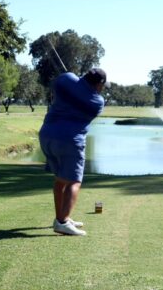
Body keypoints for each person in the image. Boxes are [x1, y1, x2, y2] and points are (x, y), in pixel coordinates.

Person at [39, 68, 109, 236]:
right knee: (74, 181)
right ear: (99, 84)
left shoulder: (66, 79)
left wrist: (73, 81)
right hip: (70, 140)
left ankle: (61, 218)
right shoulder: (97, 102)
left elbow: (58, 83)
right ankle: (62, 222)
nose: (102, 89)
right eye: (102, 86)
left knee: (60, 179)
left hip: (47, 135)